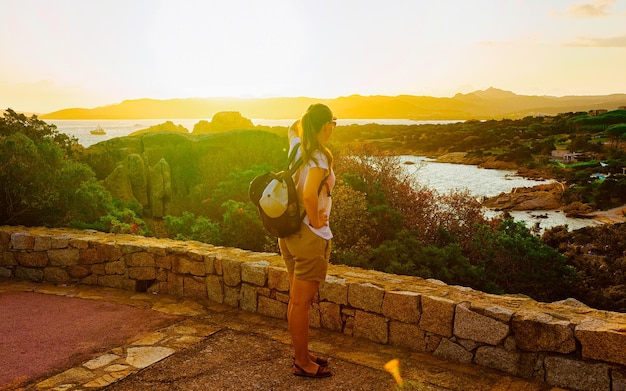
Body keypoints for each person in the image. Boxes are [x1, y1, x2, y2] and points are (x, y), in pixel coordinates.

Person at [278, 103, 336, 378]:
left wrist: (305, 124)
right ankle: (302, 362)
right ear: (326, 126)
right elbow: (310, 195)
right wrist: (315, 221)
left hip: (287, 234)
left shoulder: (297, 147)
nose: (334, 128)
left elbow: (291, 128)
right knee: (301, 303)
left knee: (295, 301)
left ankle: (302, 352)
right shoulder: (318, 157)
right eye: (333, 123)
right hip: (307, 237)